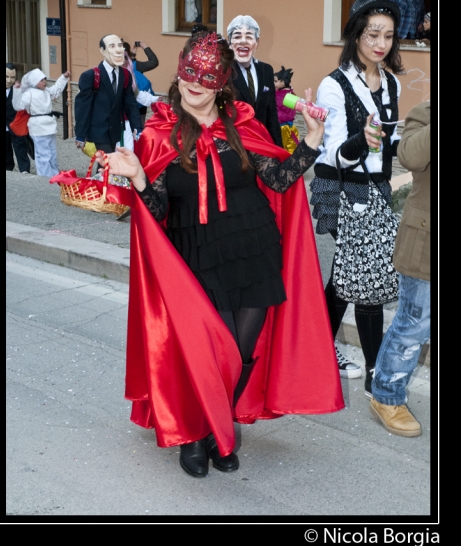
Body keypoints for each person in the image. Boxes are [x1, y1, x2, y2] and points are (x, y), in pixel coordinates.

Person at [101, 32, 344, 478]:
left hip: (253, 247)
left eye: (207, 75)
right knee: (207, 349)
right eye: (190, 71)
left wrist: (311, 140)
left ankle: (219, 427)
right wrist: (137, 176)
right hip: (193, 254)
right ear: (179, 71)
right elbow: (156, 211)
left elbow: (278, 179)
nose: (195, 82)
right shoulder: (158, 133)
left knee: (240, 350)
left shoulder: (243, 125)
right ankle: (194, 432)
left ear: (222, 82)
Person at [309, 0, 403, 395]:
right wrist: (361, 141)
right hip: (344, 189)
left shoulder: (392, 80)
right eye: (372, 35)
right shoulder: (335, 84)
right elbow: (330, 154)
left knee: (346, 276)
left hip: (378, 191)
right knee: (366, 279)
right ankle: (373, 374)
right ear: (356, 35)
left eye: (388, 35)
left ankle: (317, 348)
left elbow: (392, 143)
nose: (380, 43)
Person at [370, 100, 430, 437]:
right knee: (413, 326)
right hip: (425, 243)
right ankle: (387, 397)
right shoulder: (426, 113)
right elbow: (410, 157)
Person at [74, 34, 143, 154]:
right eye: (112, 46)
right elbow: (82, 107)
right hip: (98, 131)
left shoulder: (125, 75)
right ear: (103, 50)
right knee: (108, 162)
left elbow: (130, 103)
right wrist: (80, 134)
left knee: (106, 164)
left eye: (120, 46)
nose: (117, 49)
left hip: (115, 131)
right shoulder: (90, 76)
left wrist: (137, 127)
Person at [227, 15, 282, 146]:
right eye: (237, 36)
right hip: (234, 146)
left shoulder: (266, 70)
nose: (243, 41)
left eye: (249, 37)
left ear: (257, 43)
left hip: (262, 145)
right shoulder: (223, 72)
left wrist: (279, 150)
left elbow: (271, 115)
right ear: (229, 42)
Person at [12, 68, 70, 177]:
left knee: (52, 153)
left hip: (49, 126)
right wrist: (16, 91)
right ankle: (45, 175)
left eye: (44, 79)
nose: (44, 82)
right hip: (38, 127)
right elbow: (18, 105)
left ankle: (54, 174)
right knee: (44, 154)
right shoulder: (29, 94)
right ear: (34, 81)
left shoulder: (46, 91)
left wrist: (63, 78)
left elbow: (56, 89)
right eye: (41, 80)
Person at [6, 62, 31, 173]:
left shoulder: (19, 90)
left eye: (12, 77)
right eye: (6, 76)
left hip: (16, 126)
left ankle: (24, 171)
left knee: (21, 150)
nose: (9, 80)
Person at [274, 66, 300, 154]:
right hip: (290, 127)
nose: (273, 83)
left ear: (283, 82)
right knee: (290, 148)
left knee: (280, 148)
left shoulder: (280, 96)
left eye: (275, 81)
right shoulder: (291, 94)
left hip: (282, 127)